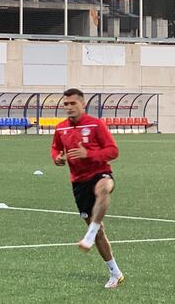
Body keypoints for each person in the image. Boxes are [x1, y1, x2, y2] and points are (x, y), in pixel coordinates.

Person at [52, 88, 123, 289]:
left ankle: (91, 231)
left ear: (83, 104)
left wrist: (89, 155)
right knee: (101, 234)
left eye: (73, 103)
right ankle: (115, 272)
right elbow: (56, 148)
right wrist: (57, 158)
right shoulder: (61, 129)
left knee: (104, 188)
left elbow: (113, 151)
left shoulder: (95, 124)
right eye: (65, 104)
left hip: (100, 172)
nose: (69, 107)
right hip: (79, 181)